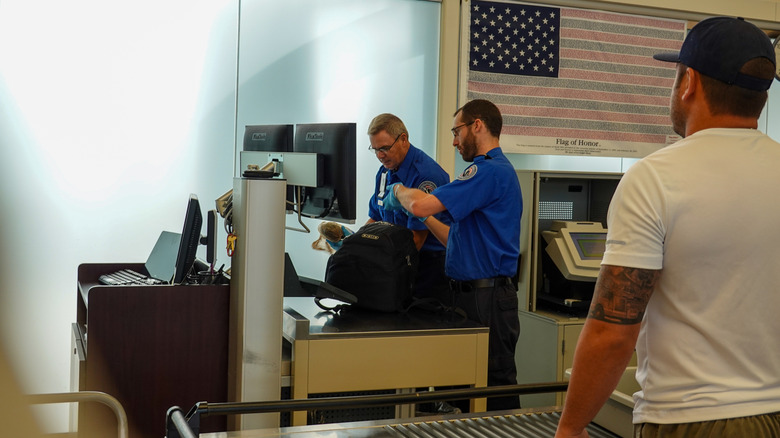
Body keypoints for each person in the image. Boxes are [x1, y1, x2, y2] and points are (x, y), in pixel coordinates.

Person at [555, 17, 780, 438]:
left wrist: (571, 426)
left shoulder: (655, 178)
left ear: (689, 82)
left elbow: (613, 333)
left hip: (694, 417)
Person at [383, 99, 523, 411]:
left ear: (477, 125)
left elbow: (419, 204)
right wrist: (425, 219)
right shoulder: (490, 173)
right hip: (466, 297)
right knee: (461, 391)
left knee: (493, 391)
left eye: (456, 131)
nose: (454, 140)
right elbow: (453, 238)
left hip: (486, 299)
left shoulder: (487, 172)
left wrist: (398, 193)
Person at [366, 113, 451, 301]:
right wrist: (357, 241)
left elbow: (416, 241)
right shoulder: (385, 172)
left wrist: (374, 256)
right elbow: (376, 216)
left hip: (426, 268)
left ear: (403, 139)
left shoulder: (426, 176)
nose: (380, 156)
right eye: (376, 149)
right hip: (395, 261)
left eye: (385, 148)